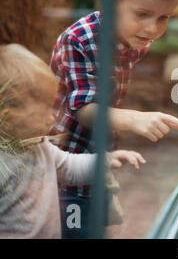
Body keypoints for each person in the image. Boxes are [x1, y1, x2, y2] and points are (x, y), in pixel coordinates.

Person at [49, 0, 178, 238]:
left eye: (163, 17)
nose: (152, 29)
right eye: (142, 14)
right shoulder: (79, 40)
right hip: (63, 166)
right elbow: (84, 111)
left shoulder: (135, 39)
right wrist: (135, 118)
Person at [0, 44, 146, 238]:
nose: (52, 117)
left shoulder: (40, 146)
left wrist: (105, 160)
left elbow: (69, 167)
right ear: (7, 114)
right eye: (43, 109)